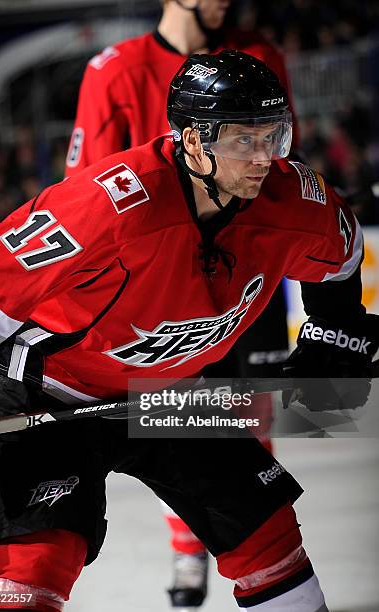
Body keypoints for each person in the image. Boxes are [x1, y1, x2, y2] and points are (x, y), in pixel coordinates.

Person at [0, 51, 377, 612]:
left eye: (274, 137)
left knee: (269, 539)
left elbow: (345, 250)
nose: (264, 159)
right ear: (192, 140)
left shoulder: (290, 198)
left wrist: (338, 327)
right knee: (35, 566)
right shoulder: (110, 205)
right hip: (51, 395)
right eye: (243, 141)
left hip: (172, 392)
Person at [65, 1, 301, 606]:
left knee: (247, 416)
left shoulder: (259, 53)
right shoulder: (113, 70)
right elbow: (84, 192)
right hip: (161, 278)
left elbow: (275, 162)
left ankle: (247, 549)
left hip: (248, 265)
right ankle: (188, 545)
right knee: (180, 411)